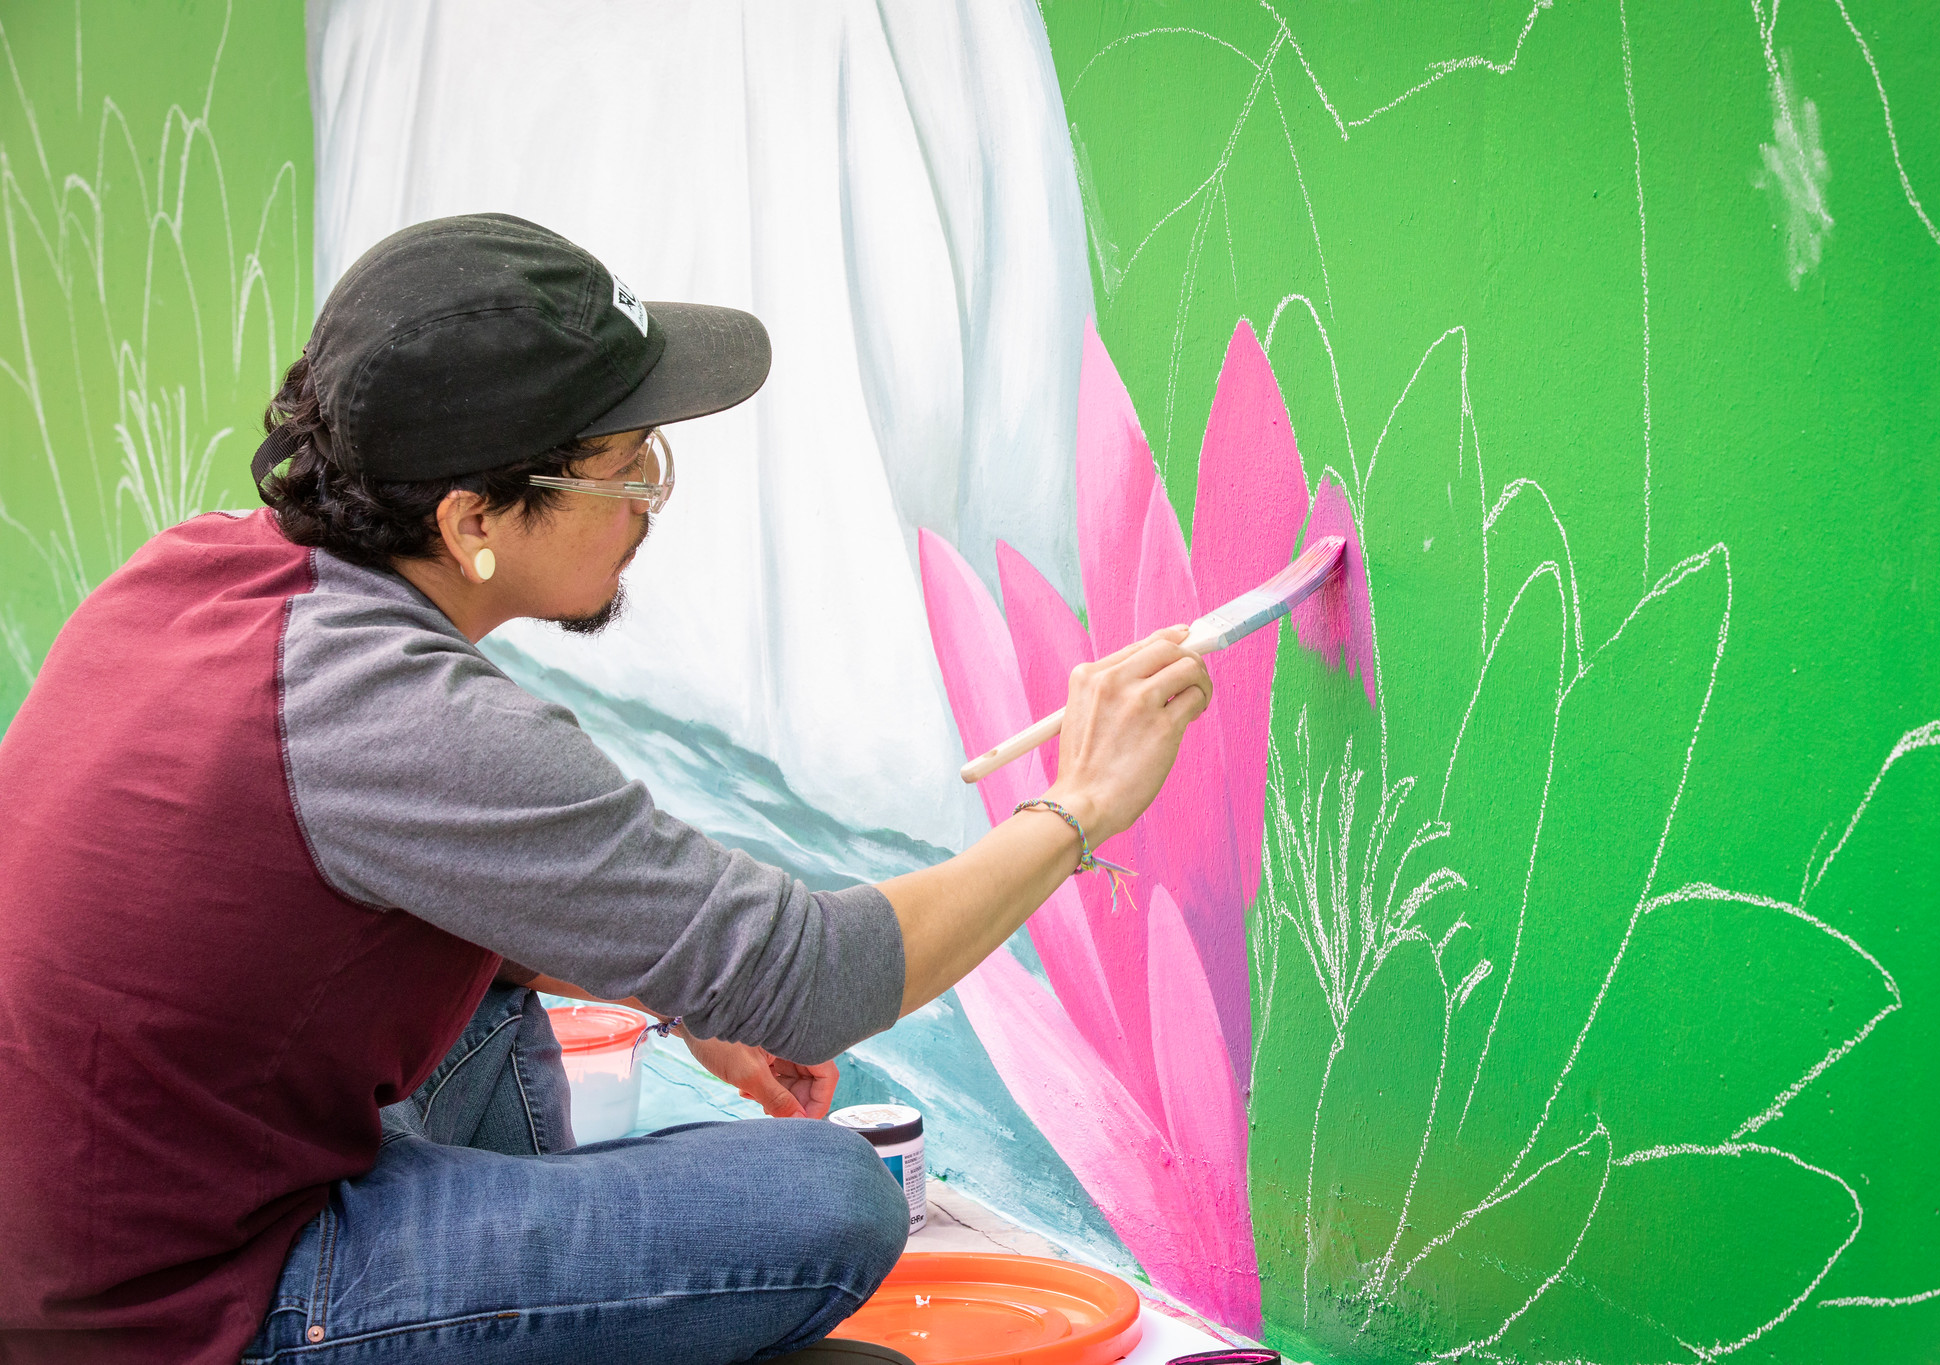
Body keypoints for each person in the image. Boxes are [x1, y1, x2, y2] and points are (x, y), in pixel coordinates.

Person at [0, 214, 1212, 1365]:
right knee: (826, 1199)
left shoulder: (215, 571)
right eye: (626, 471)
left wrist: (692, 1000)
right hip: (193, 1309)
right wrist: (1080, 806)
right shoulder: (402, 719)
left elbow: (437, 897)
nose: (648, 506)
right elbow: (815, 979)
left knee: (487, 988)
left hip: (103, 1232)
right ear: (474, 516)